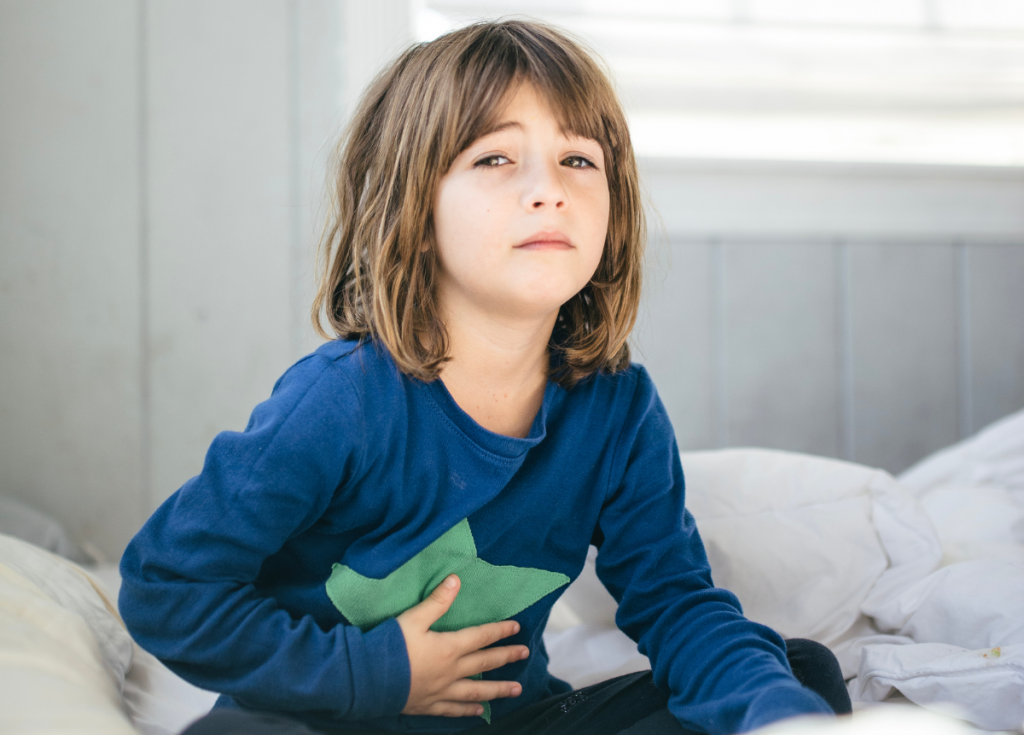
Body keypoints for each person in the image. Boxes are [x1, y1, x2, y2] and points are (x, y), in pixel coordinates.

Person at [119, 19, 851, 735]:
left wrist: (776, 718)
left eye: (579, 160)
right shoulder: (342, 398)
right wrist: (378, 674)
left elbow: (676, 603)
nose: (549, 189)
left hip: (519, 718)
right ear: (414, 205)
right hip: (324, 716)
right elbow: (167, 588)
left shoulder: (617, 407)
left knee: (794, 676)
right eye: (496, 159)